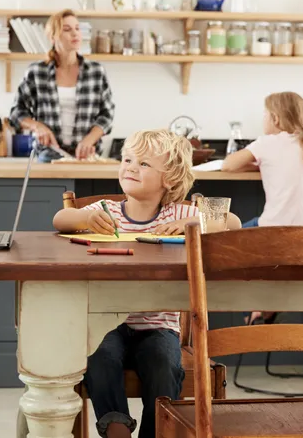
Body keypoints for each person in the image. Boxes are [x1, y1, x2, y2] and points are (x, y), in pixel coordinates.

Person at [53, 129, 241, 438]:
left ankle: (157, 431)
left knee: (165, 364)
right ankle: (116, 428)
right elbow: (60, 219)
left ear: (169, 178)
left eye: (143, 164)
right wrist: (84, 220)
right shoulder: (106, 210)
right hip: (106, 322)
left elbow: (231, 223)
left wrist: (195, 222)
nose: (129, 167)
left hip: (159, 325)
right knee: (98, 356)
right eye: (127, 159)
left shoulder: (180, 212)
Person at [223, 91, 303, 325]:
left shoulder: (268, 143)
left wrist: (258, 164)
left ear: (275, 119)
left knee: (226, 243)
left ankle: (255, 308)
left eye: (265, 114)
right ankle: (270, 303)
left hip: (277, 236)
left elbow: (228, 164)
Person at [9, 9, 115, 163]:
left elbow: (107, 114)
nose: (75, 34)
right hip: (48, 154)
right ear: (53, 36)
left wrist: (89, 140)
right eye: (67, 29)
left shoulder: (96, 71)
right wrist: (38, 127)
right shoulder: (36, 72)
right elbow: (16, 112)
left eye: (77, 28)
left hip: (87, 156)